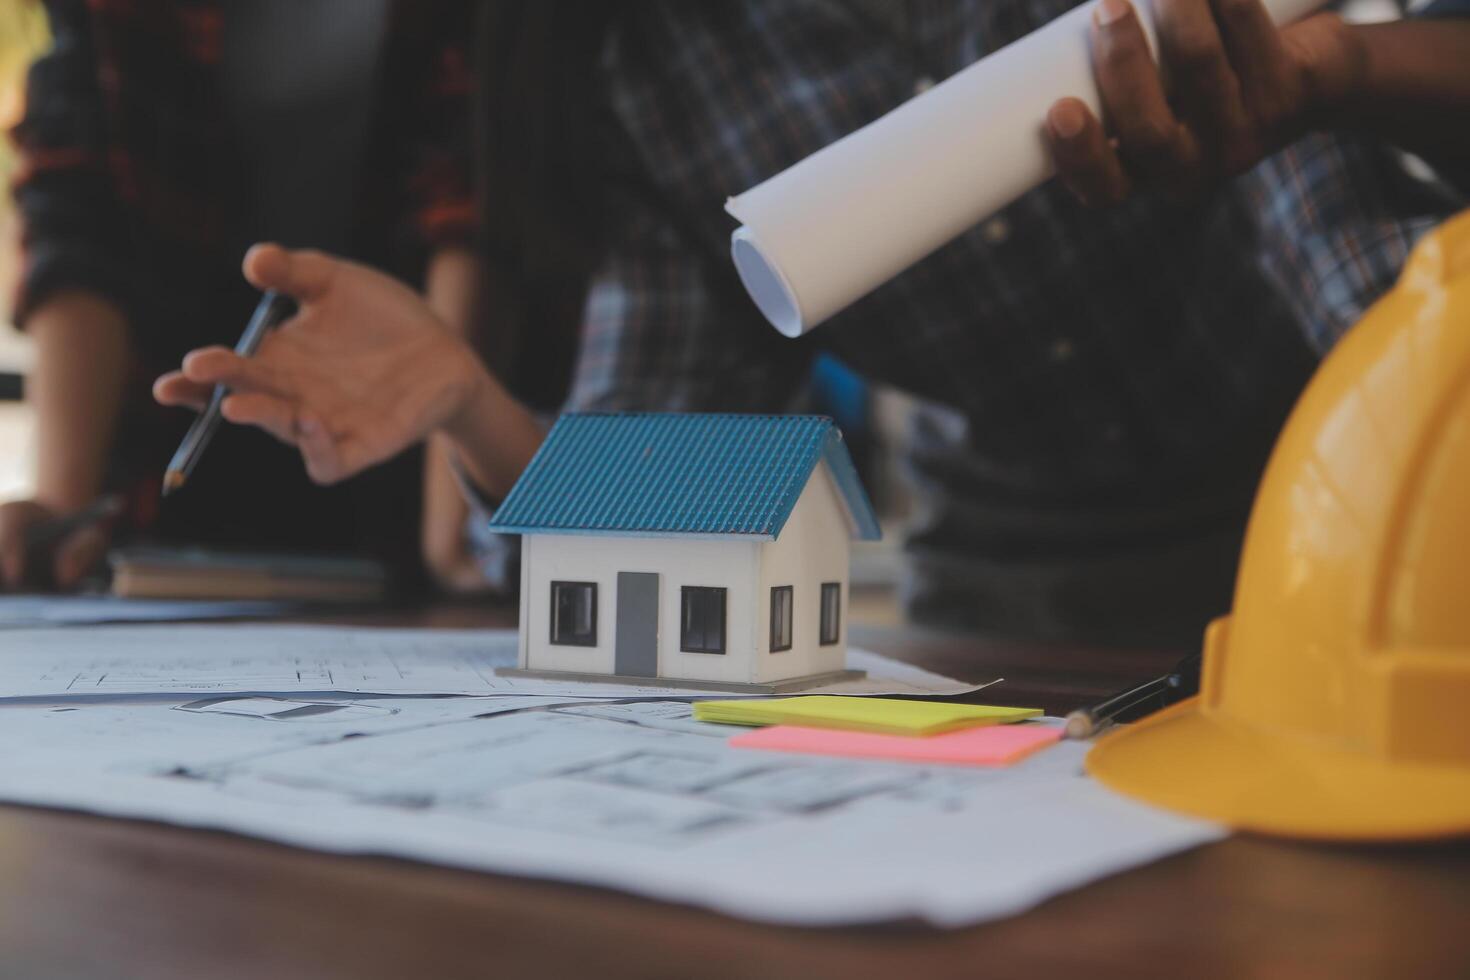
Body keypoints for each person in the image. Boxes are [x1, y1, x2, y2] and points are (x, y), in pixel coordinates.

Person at [156, 0, 1470, 646]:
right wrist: (472, 406)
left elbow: (1361, 268)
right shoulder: (660, 70)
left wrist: (1322, 79)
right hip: (1012, 609)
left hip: (1341, 536)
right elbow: (673, 515)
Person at [0, 0, 485, 594]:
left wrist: (449, 537)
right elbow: (80, 208)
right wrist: (63, 507)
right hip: (167, 398)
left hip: (393, 399)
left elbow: (467, 205)